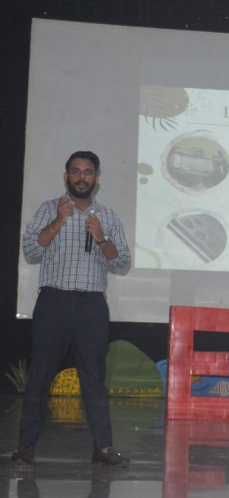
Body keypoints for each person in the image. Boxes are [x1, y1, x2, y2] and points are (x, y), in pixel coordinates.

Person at [11, 151, 131, 467]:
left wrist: (101, 238)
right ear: (66, 177)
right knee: (40, 375)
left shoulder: (107, 216)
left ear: (96, 179)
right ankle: (25, 447)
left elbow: (122, 261)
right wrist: (59, 220)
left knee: (94, 378)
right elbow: (31, 250)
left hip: (91, 306)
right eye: (75, 171)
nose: (81, 177)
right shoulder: (49, 209)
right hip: (55, 302)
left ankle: (103, 448)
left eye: (87, 172)